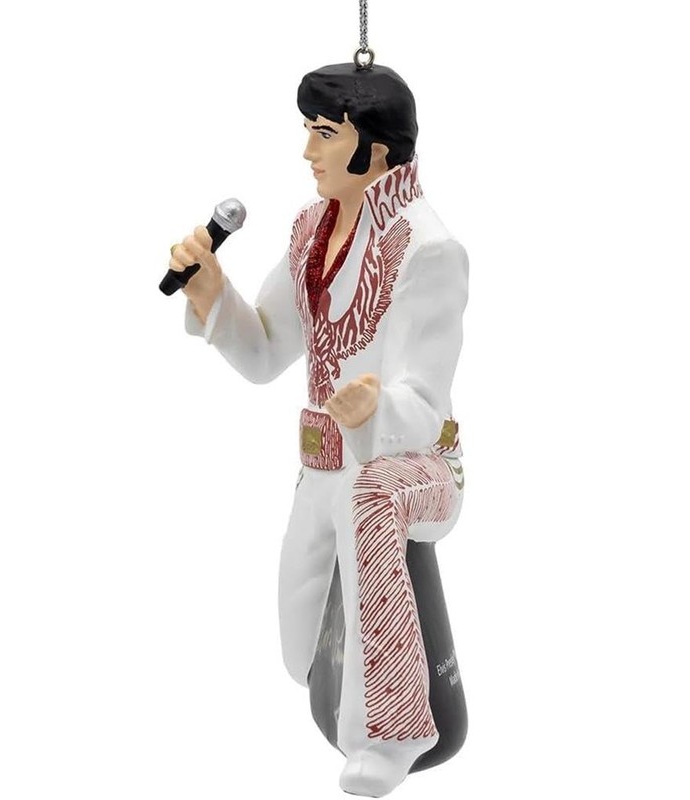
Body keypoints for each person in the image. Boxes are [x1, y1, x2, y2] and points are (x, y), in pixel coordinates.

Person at [170, 62, 469, 797]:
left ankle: (394, 732)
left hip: (416, 470)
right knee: (300, 648)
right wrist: (214, 294)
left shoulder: (427, 247)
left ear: (375, 148)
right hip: (323, 462)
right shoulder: (312, 229)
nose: (308, 151)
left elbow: (425, 401)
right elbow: (267, 351)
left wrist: (376, 410)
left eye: (325, 134)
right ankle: (352, 695)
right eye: (308, 130)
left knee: (370, 499)